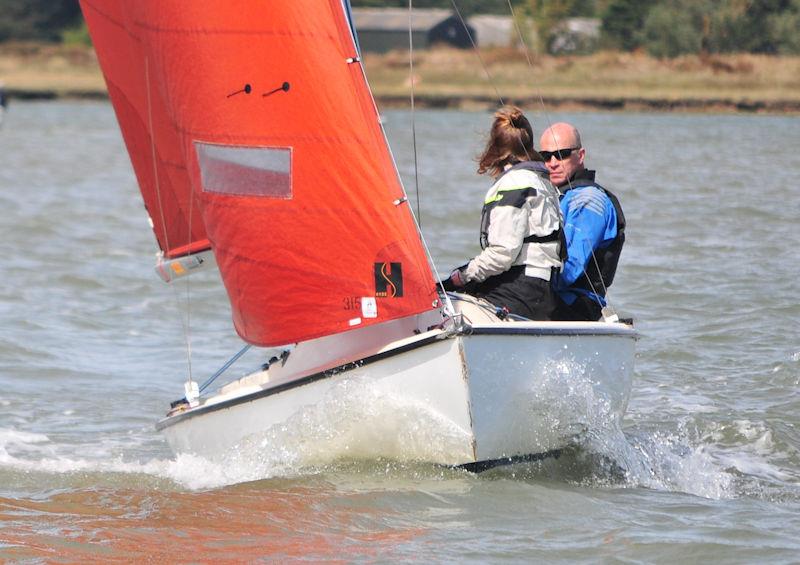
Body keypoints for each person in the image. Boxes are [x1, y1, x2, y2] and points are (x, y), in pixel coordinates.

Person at [445, 106, 562, 320]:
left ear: (495, 147)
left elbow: (502, 254)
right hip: (543, 289)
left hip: (522, 290)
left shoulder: (513, 183)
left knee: (446, 305)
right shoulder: (544, 182)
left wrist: (460, 277)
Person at [538, 122, 626, 321]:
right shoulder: (556, 196)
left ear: (581, 155)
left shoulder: (588, 200)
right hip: (550, 300)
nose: (552, 163)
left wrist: (525, 283)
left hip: (576, 307)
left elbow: (571, 270)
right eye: (545, 156)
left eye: (562, 154)